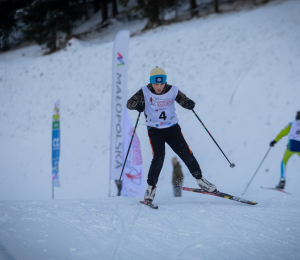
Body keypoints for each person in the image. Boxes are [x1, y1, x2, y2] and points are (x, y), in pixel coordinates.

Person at [126, 66, 217, 203]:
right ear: (151, 82)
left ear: (165, 82)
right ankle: (151, 188)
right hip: (155, 130)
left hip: (172, 129)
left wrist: (188, 103)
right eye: (156, 84)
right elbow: (129, 103)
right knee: (159, 157)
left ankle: (201, 181)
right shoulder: (145, 91)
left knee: (186, 154)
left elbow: (183, 100)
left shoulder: (172, 90)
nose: (159, 87)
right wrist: (137, 105)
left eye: (161, 83)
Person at [270, 111, 300, 189]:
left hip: (291, 147)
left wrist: (275, 141)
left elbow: (283, 132)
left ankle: (282, 181)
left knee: (284, 162)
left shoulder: (292, 124)